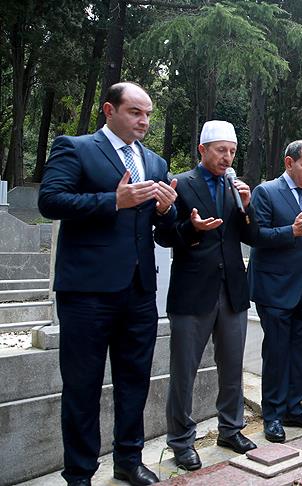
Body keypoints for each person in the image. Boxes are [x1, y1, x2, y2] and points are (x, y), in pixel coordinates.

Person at [38, 82, 177, 486]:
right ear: (108, 110)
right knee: (82, 386)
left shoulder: (154, 162)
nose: (145, 121)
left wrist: (167, 212)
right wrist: (112, 201)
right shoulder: (76, 148)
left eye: (148, 114)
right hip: (87, 292)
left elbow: (164, 232)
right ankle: (80, 472)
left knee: (134, 380)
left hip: (138, 291)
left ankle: (128, 461)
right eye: (135, 112)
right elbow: (51, 201)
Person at [154, 121, 258, 471]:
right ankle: (181, 440)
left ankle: (231, 428)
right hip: (192, 292)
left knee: (232, 368)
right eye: (221, 151)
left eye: (232, 151)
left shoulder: (235, 186)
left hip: (232, 292)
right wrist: (191, 227)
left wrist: (247, 206)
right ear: (202, 150)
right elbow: (165, 237)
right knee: (184, 371)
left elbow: (250, 236)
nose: (227, 158)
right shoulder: (181, 184)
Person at [248, 140, 302, 443]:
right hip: (275, 288)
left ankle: (293, 407)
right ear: (289, 163)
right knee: (277, 353)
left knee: (300, 353)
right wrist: (293, 231)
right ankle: (272, 415)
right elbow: (256, 236)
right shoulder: (267, 192)